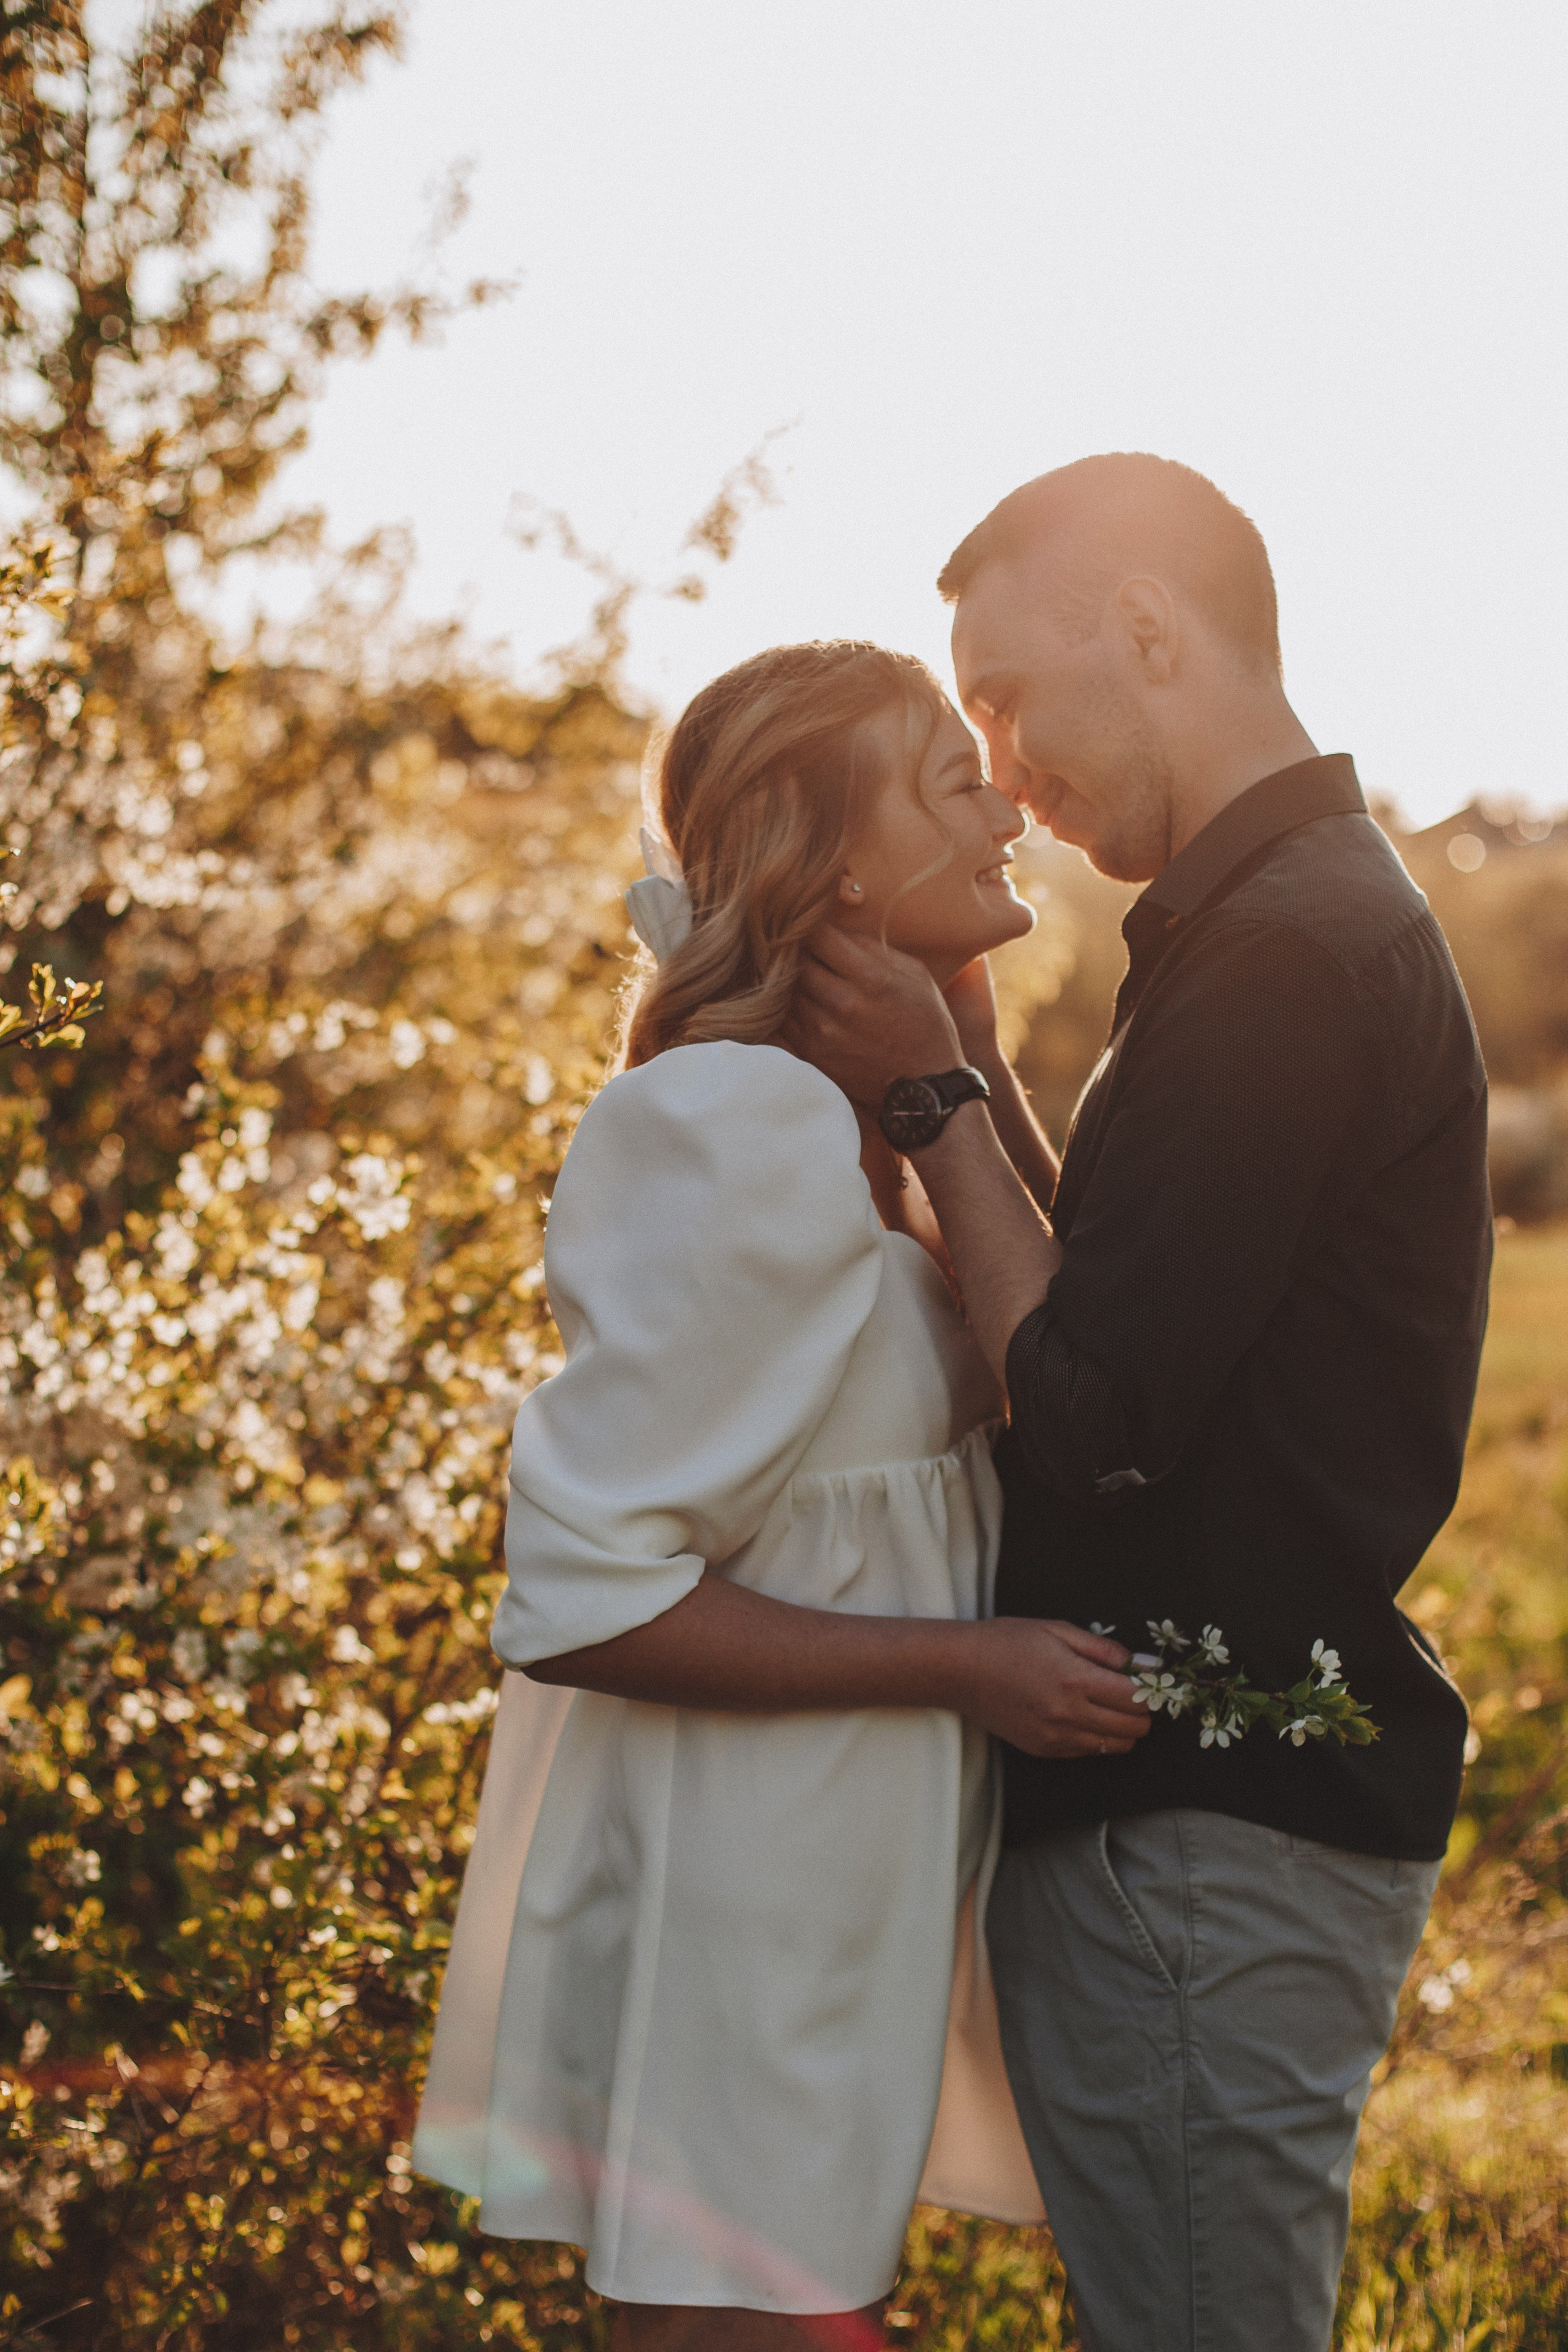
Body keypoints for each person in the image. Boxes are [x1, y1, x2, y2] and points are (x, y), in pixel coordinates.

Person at [787, 454, 1493, 2352]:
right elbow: (1124, 1307)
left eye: (1010, 696)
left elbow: (1090, 1414)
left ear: (1153, 630)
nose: (1001, 766)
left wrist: (931, 1102)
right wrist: (995, 1074)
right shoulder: (1268, 919)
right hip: (1218, 1809)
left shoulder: (1282, 953)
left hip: (1209, 1828)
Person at [412, 639, 1150, 2352]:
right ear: (823, 860)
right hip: (733, 1906)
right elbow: (585, 1596)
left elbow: (1078, 1360)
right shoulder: (736, 1123)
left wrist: (958, 1063)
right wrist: (971, 1669)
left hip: (834, 1886)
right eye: (942, 774)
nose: (1001, 793)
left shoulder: (859, 1125)